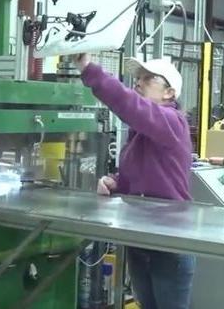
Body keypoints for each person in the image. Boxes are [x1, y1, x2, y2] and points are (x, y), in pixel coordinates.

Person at [75, 53, 195, 309]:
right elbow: (140, 176)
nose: (138, 83)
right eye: (137, 78)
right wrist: (117, 182)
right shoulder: (141, 132)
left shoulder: (173, 122)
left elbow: (130, 105)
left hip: (168, 242)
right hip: (142, 239)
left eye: (148, 79)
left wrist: (90, 70)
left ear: (169, 93)